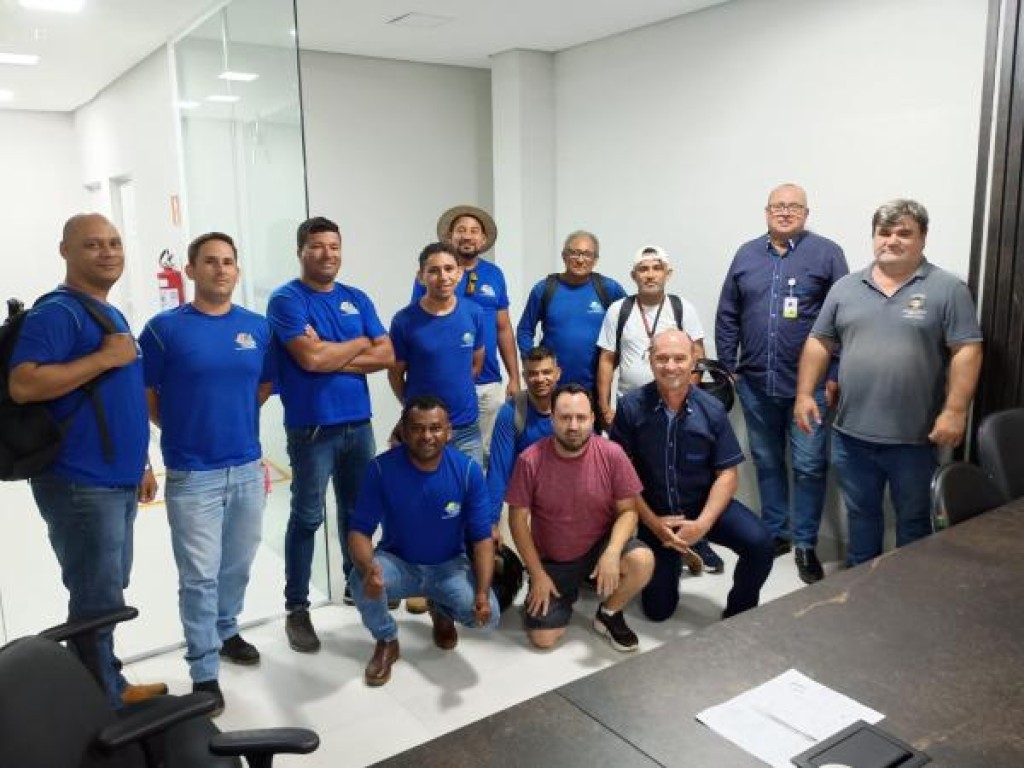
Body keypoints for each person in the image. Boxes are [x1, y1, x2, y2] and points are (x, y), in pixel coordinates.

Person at [8, 213, 163, 708]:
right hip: (79, 481)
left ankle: (99, 682)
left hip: (114, 478)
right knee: (98, 597)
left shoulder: (106, 312)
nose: (108, 252)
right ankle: (102, 702)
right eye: (93, 244)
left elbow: (120, 398)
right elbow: (23, 384)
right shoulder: (59, 313)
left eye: (114, 242)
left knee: (107, 589)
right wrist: (103, 358)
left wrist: (141, 463)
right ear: (66, 251)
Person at [795, 199, 983, 566]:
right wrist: (804, 394)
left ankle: (906, 591)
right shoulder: (846, 288)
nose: (892, 240)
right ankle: (862, 586)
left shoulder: (948, 289)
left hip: (915, 439)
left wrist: (956, 411)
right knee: (861, 518)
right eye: (884, 232)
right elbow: (819, 342)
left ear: (922, 238)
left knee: (914, 523)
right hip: (851, 436)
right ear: (873, 237)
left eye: (904, 233)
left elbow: (967, 350)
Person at [139, 232, 273, 715]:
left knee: (237, 564)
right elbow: (144, 393)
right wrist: (181, 425)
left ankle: (226, 628)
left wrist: (232, 416)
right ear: (191, 270)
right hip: (193, 474)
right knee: (198, 576)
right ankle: (203, 670)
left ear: (237, 270)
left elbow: (263, 385)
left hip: (247, 467)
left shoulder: (257, 328)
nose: (221, 269)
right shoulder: (163, 330)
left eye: (228, 262)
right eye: (210, 261)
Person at [267, 216, 394, 653]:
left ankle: (356, 585)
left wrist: (330, 351)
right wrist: (359, 343)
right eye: (318, 246)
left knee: (358, 513)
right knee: (307, 517)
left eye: (334, 246)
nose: (328, 254)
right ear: (301, 251)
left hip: (359, 424)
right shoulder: (287, 300)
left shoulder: (356, 297)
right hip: (313, 428)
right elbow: (310, 360)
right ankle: (297, 608)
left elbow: (387, 353)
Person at [715, 183, 848, 584]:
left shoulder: (827, 253)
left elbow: (844, 319)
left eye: (794, 206)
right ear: (766, 211)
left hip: (810, 389)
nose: (785, 212)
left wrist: (835, 373)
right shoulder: (746, 254)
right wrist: (730, 368)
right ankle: (777, 531)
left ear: (806, 213)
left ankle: (806, 542)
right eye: (778, 206)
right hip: (756, 384)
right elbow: (727, 313)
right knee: (767, 461)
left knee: (808, 466)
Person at [610, 329, 774, 620]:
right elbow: (621, 477)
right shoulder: (629, 408)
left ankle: (739, 611)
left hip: (702, 508)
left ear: (693, 361)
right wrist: (653, 523)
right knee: (658, 612)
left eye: (679, 358)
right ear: (650, 360)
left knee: (761, 543)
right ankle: (676, 554)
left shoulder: (712, 409)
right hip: (656, 515)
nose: (670, 366)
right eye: (662, 358)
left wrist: (702, 525)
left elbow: (727, 474)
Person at [348, 396, 499, 687]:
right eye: (417, 428)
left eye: (435, 428)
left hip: (450, 566)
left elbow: (482, 540)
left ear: (448, 432)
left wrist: (481, 593)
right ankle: (387, 639)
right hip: (398, 563)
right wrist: (368, 570)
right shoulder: (380, 469)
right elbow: (359, 532)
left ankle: (440, 609)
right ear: (403, 431)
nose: (427, 436)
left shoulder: (468, 471)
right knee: (358, 581)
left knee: (488, 617)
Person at [596, 245, 721, 575]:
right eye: (643, 269)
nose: (650, 274)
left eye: (656, 268)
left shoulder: (682, 308)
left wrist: (687, 400)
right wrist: (605, 406)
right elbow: (607, 359)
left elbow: (696, 356)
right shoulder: (619, 310)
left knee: (684, 475)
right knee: (634, 477)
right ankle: (643, 539)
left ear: (668, 273)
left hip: (676, 408)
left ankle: (697, 540)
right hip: (632, 411)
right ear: (633, 275)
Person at [507, 383, 654, 651]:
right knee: (543, 639)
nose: (573, 426)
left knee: (642, 560)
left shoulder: (612, 454)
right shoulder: (529, 461)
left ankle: (608, 613)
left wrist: (612, 552)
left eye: (581, 418)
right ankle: (568, 588)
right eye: (565, 418)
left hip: (599, 549)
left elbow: (629, 511)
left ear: (593, 418)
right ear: (552, 418)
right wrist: (537, 574)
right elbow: (517, 522)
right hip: (555, 561)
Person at [410, 205, 520, 466]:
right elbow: (417, 325)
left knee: (487, 456)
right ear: (450, 237)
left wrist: (514, 377)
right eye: (461, 230)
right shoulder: (435, 276)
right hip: (445, 387)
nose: (468, 236)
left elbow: (503, 327)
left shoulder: (494, 274)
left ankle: (482, 496)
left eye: (474, 231)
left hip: (488, 382)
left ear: (483, 239)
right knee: (438, 455)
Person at [389, 242, 485, 466]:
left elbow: (476, 364)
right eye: (434, 270)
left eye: (449, 269)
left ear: (459, 273)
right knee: (421, 487)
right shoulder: (404, 321)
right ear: (421, 277)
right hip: (422, 431)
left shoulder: (474, 313)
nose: (443, 277)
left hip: (466, 428)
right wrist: (414, 408)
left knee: (470, 485)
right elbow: (395, 375)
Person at [516, 231, 627, 414]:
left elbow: (628, 326)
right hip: (550, 386)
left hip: (594, 386)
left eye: (587, 254)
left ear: (595, 259)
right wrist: (534, 365)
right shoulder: (545, 288)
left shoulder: (608, 289)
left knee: (588, 431)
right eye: (574, 253)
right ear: (564, 256)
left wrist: (613, 361)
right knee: (550, 430)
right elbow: (525, 330)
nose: (580, 259)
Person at [485, 346, 559, 529]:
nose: (540, 379)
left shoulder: (571, 408)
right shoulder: (511, 412)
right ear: (524, 377)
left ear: (558, 373)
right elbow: (498, 471)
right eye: (533, 373)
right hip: (523, 502)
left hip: (563, 500)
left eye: (546, 372)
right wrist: (491, 522)